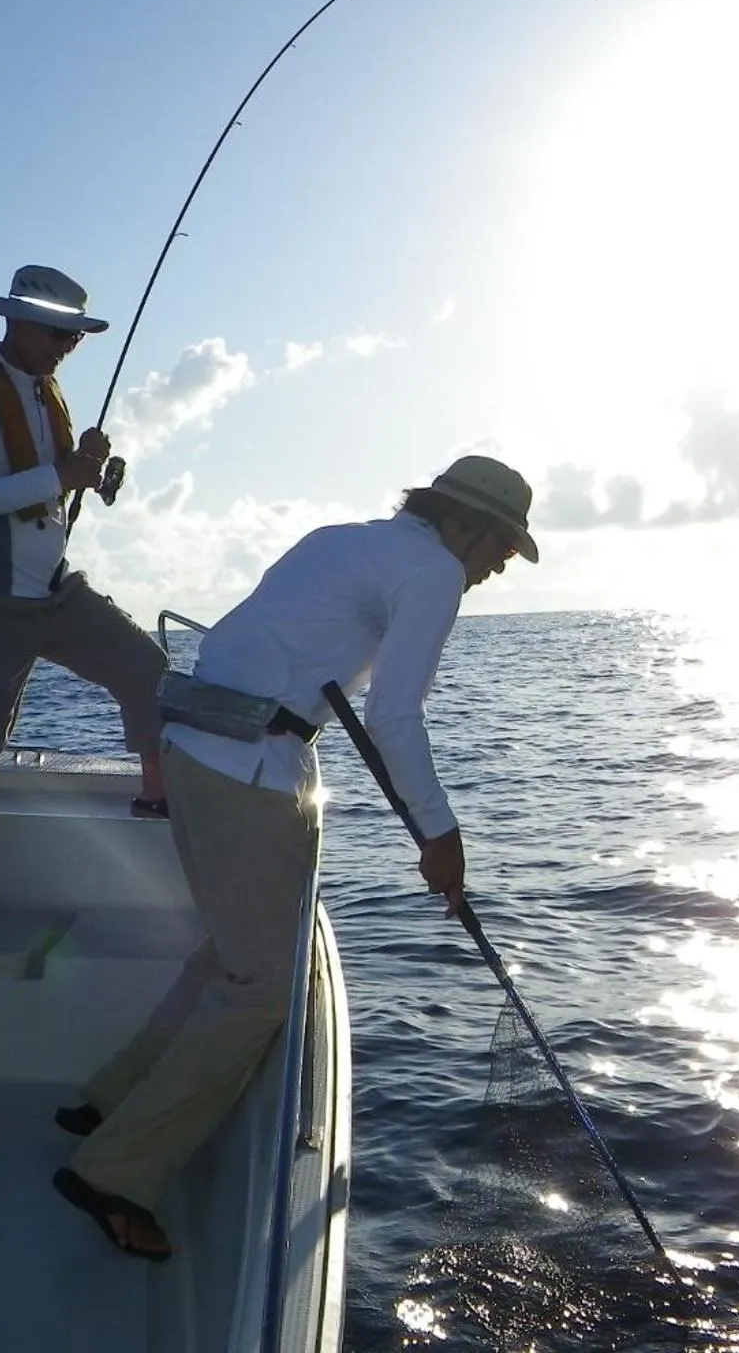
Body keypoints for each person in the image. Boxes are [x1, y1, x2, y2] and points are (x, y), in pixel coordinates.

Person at [50, 454, 538, 1260]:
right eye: (500, 549)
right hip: (246, 774)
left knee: (226, 957)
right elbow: (397, 719)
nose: (496, 570)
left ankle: (112, 1098)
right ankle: (112, 1173)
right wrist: (442, 835)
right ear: (466, 525)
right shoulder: (433, 572)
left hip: (191, 749)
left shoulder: (344, 539)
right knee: (259, 991)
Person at [0, 264, 168, 925]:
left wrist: (88, 472)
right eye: (56, 334)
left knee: (148, 672)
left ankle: (157, 802)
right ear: (16, 322)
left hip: (55, 589)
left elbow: (54, 487)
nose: (66, 347)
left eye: (74, 336)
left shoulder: (47, 393)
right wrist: (60, 473)